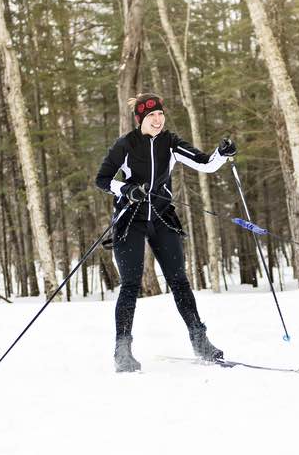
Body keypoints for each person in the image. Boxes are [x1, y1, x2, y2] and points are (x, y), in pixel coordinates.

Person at [95, 93, 237, 372]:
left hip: (161, 217)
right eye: (151, 117)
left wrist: (222, 153)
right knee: (131, 284)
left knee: (179, 280)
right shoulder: (126, 144)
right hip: (131, 218)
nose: (157, 120)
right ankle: (122, 350)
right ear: (140, 120)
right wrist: (126, 189)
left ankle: (201, 341)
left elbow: (205, 163)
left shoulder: (170, 143)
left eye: (160, 115)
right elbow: (102, 179)